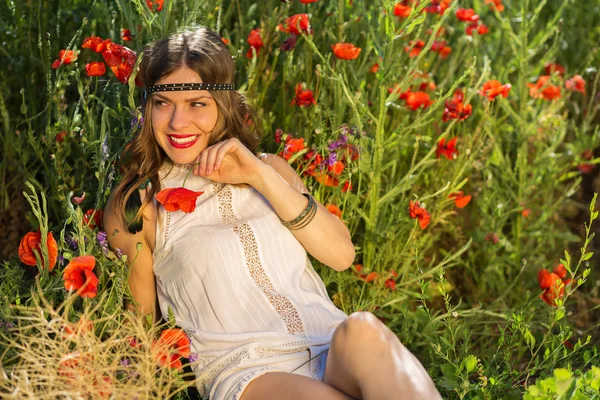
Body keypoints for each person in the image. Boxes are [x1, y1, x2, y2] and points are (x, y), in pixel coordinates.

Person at [103, 26, 442, 400]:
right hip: (249, 372)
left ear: (222, 105)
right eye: (163, 103)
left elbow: (341, 255)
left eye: (196, 104)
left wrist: (259, 175)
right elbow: (140, 328)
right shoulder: (138, 206)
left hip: (331, 346)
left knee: (362, 327)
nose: (178, 123)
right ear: (147, 106)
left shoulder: (270, 170)